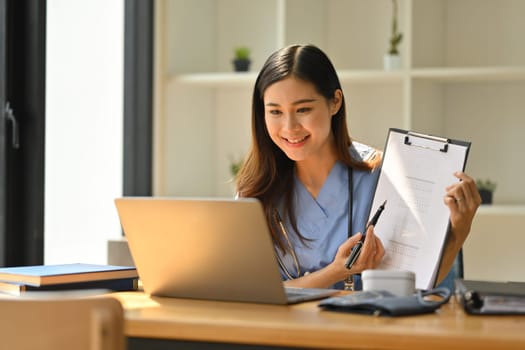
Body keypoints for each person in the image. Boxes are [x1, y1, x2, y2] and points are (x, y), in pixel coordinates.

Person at [235, 44, 481, 290]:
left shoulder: (385, 176)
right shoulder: (256, 190)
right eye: (275, 112)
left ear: (335, 102)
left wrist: (459, 230)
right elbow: (248, 292)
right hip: (278, 328)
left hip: (365, 325)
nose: (289, 127)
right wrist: (335, 272)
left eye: (303, 109)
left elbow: (417, 286)